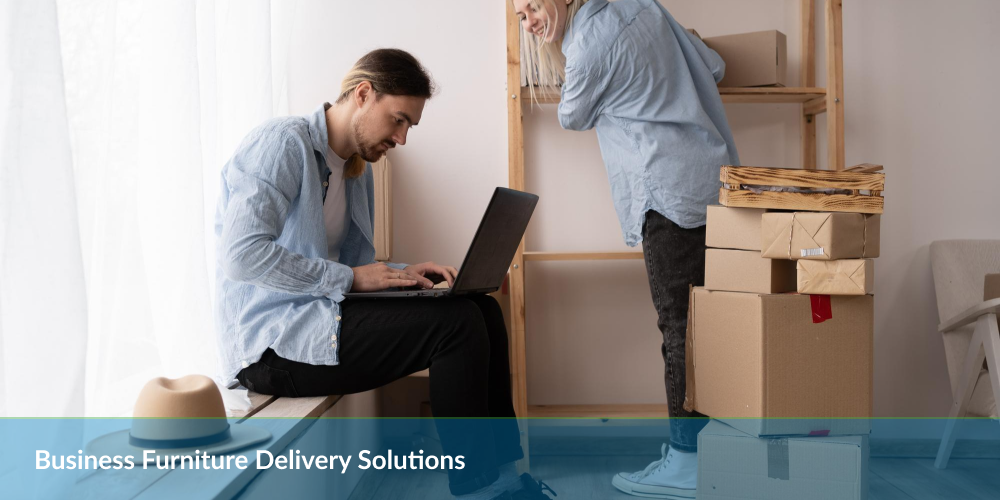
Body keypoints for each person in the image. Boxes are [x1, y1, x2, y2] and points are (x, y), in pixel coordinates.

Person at [214, 48, 553, 500]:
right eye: (399, 120)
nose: (403, 138)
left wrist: (402, 273)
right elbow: (241, 255)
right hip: (273, 347)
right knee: (457, 327)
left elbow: (354, 268)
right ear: (363, 94)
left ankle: (507, 482)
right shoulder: (282, 143)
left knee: (481, 308)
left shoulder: (356, 168)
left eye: (409, 125)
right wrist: (350, 280)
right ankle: (481, 492)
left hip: (322, 322)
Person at [511, 0, 741, 498]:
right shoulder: (644, 7)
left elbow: (572, 114)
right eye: (518, 15)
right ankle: (703, 456)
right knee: (706, 329)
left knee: (679, 329)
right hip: (708, 182)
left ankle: (687, 463)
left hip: (666, 194)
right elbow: (715, 65)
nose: (528, 21)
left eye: (532, 5)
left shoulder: (590, 46)